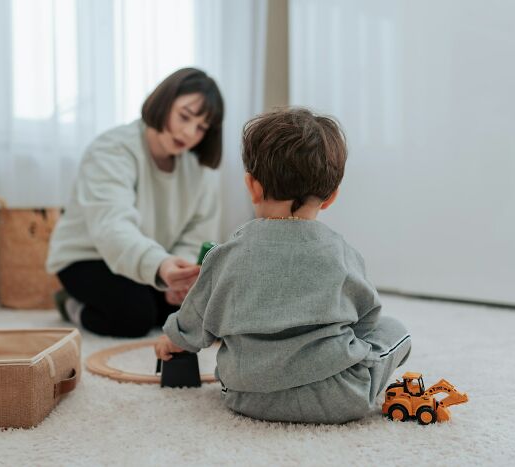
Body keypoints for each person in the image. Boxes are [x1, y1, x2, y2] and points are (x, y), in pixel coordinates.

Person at [154, 108, 411, 424]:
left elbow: (195, 318)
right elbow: (367, 318)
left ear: (252, 186)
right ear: (330, 197)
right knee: (395, 331)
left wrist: (173, 339)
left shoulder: (225, 254)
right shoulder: (342, 253)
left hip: (244, 394)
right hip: (339, 397)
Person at [46, 68, 224, 337]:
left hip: (150, 262)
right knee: (134, 316)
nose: (189, 132)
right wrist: (162, 267)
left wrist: (181, 278)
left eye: (201, 127)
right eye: (184, 116)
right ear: (163, 103)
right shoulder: (111, 149)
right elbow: (112, 228)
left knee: (190, 314)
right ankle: (70, 305)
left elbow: (197, 233)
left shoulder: (198, 170)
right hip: (89, 257)